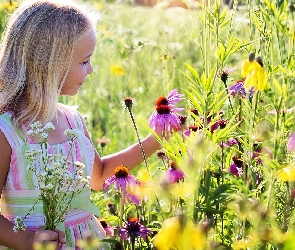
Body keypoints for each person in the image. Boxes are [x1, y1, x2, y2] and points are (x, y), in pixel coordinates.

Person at [0, 0, 161, 249]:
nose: (92, 69)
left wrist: (155, 139)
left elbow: (98, 177)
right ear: (50, 64)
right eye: (85, 61)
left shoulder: (71, 120)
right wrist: (26, 240)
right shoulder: (8, 131)